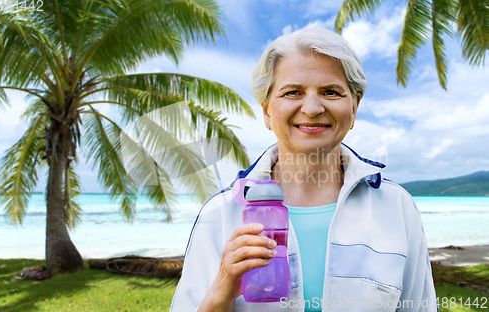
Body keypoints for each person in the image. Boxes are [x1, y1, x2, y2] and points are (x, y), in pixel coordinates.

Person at [170, 27, 437, 312]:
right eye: (293, 92)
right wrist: (222, 289)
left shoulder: (397, 207)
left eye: (331, 92)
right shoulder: (222, 213)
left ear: (354, 106)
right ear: (267, 111)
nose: (311, 108)